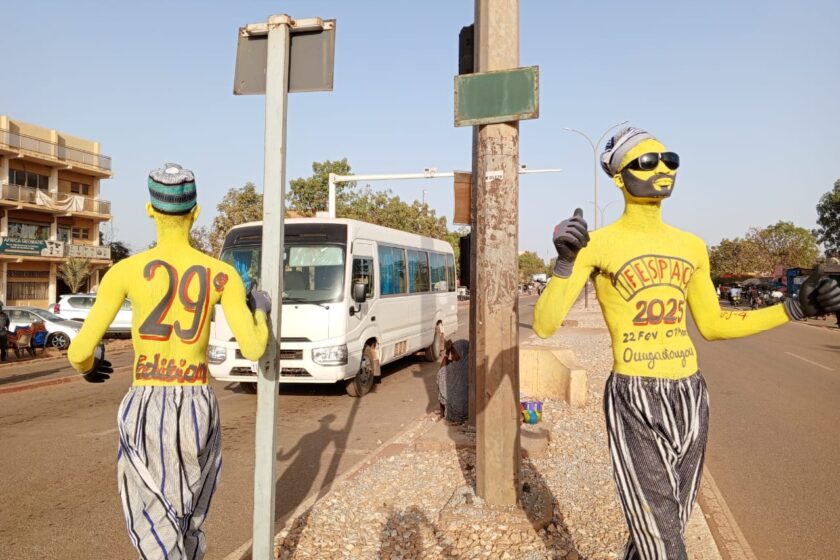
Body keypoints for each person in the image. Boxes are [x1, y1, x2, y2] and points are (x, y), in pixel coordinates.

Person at [534, 127, 840, 560]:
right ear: (619, 177)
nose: (662, 169)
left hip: (691, 395)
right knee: (664, 544)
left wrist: (792, 308)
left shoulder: (692, 247)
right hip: (635, 395)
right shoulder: (596, 245)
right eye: (646, 162)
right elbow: (545, 325)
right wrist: (565, 263)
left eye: (669, 160)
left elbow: (713, 325)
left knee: (666, 525)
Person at [67, 163, 270, 560]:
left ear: (149, 211)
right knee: (189, 514)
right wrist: (259, 310)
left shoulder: (124, 272)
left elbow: (78, 353)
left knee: (153, 519)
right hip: (196, 402)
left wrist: (90, 368)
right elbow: (255, 348)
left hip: (146, 400)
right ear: (195, 214)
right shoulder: (221, 274)